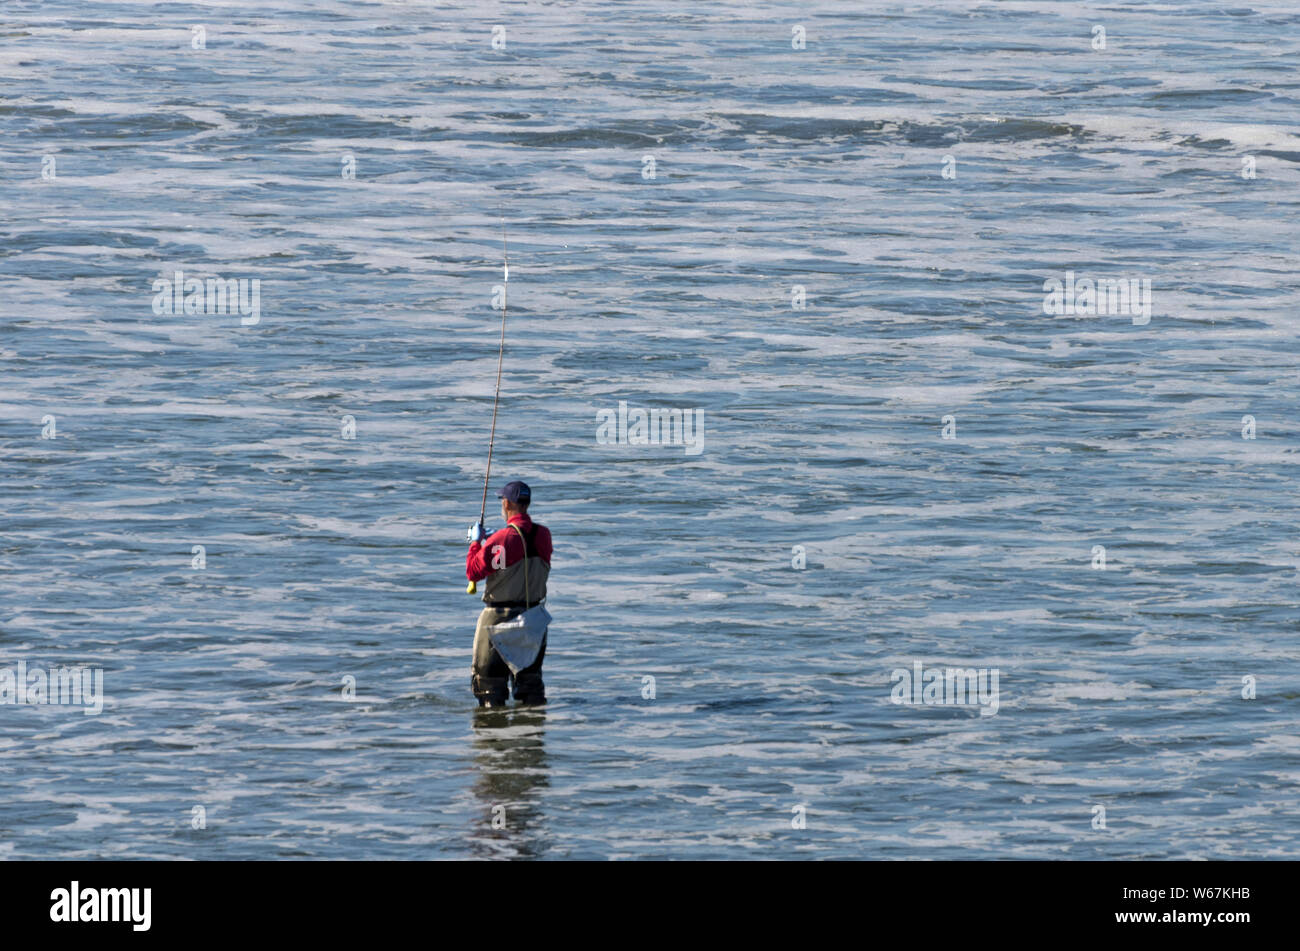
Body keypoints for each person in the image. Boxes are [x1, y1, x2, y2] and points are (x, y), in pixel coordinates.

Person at [465, 481, 552, 707]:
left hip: (498, 621)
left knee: (489, 689)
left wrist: (476, 543)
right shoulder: (544, 535)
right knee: (531, 689)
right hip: (533, 619)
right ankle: (531, 738)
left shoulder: (502, 540)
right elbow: (514, 554)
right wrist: (494, 543)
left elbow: (473, 571)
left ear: (507, 503)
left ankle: (493, 736)